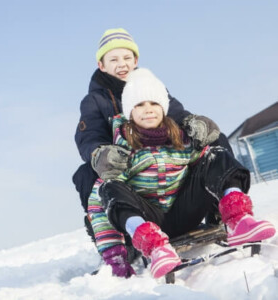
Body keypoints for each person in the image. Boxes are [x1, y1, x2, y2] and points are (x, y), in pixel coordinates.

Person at [87, 68, 276, 279]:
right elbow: (98, 204)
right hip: (150, 221)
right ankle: (154, 246)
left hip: (185, 212)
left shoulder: (181, 139)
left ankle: (238, 218)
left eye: (154, 103)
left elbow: (210, 169)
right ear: (129, 112)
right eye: (139, 105)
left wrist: (204, 131)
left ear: (164, 107)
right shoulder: (121, 152)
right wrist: (114, 254)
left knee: (215, 155)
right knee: (109, 186)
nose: (148, 110)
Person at [73, 28, 226, 223]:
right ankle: (115, 230)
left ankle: (219, 206)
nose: (122, 64)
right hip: (129, 170)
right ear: (101, 65)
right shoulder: (95, 101)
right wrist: (99, 153)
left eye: (127, 58)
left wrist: (193, 123)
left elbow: (176, 113)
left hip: (165, 162)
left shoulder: (151, 86)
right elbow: (89, 137)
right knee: (85, 173)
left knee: (215, 140)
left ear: (135, 61)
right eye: (113, 60)